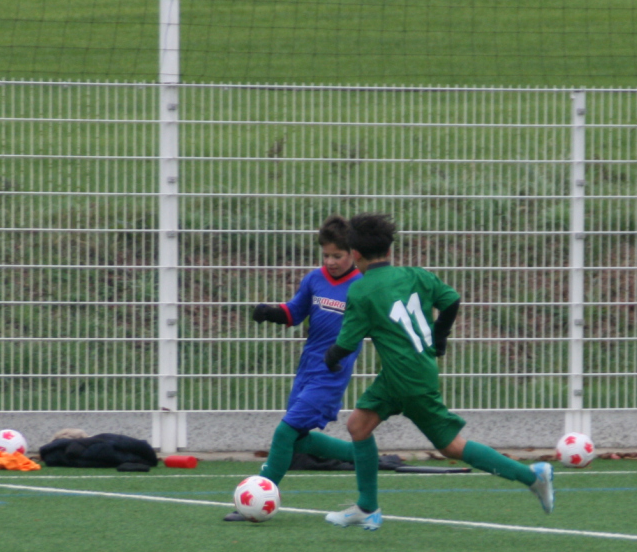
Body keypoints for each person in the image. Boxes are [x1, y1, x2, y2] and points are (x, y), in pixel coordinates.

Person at [318, 212, 553, 530]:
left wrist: (329, 359)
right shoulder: (416, 275)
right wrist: (439, 338)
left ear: (355, 253)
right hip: (405, 372)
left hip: (407, 379)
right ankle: (367, 507)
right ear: (389, 250)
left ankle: (532, 476)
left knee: (451, 446)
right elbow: (451, 300)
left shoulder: (362, 290)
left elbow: (346, 343)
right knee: (358, 426)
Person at [226, 216, 363, 521]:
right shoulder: (315, 279)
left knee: (285, 431)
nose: (331, 262)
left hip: (332, 373)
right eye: (326, 255)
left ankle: (260, 494)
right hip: (307, 368)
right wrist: (270, 312)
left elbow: (375, 326)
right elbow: (294, 313)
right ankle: (364, 456)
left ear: (353, 253)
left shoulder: (361, 286)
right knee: (298, 438)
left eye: (338, 256)